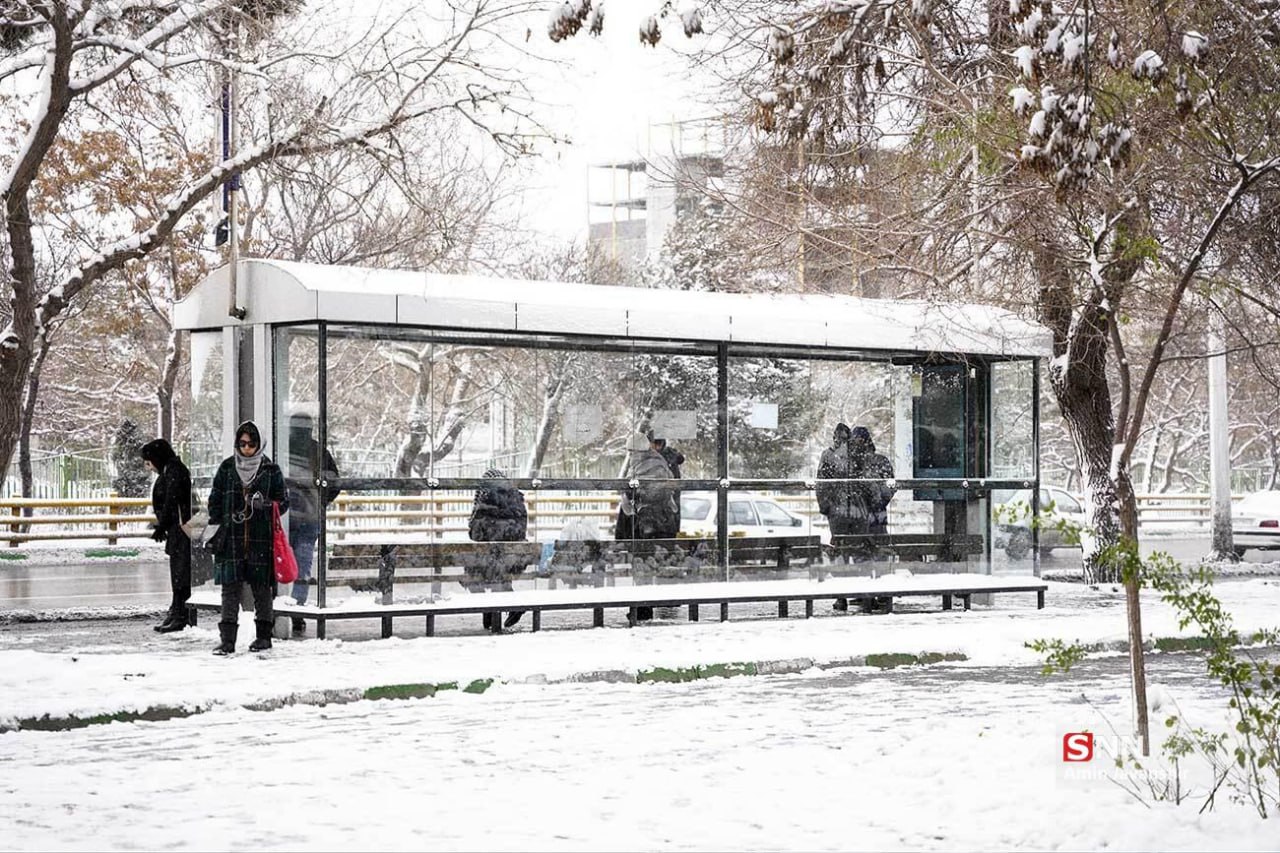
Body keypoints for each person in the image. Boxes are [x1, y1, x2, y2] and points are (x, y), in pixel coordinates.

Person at [207, 421, 288, 655]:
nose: (246, 449)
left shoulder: (270, 470)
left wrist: (265, 505)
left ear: (259, 444)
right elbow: (214, 499)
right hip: (230, 539)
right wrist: (225, 516)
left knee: (262, 589)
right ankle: (227, 641)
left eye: (251, 444)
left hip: (260, 540)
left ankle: (263, 637)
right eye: (242, 444)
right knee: (229, 590)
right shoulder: (227, 468)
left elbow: (283, 501)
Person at [283, 413, 340, 636]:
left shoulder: (283, 449)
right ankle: (297, 609)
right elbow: (334, 482)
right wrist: (320, 502)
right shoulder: (319, 452)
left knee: (280, 560)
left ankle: (278, 605)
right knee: (302, 564)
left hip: (286, 517)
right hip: (309, 517)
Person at [619, 431, 679, 621]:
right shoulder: (653, 462)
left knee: (644, 566)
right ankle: (641, 607)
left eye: (631, 451)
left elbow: (653, 493)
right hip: (654, 523)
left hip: (652, 525)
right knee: (645, 566)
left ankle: (643, 608)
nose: (630, 454)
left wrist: (632, 496)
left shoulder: (650, 464)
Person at [140, 438, 192, 633]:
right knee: (178, 573)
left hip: (181, 529)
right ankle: (176, 611)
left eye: (149, 461)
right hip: (176, 530)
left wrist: (161, 526)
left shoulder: (174, 471)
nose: (149, 467)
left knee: (181, 573)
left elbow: (172, 500)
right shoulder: (171, 469)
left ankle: (181, 614)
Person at [466, 468, 529, 630]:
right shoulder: (517, 499)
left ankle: (490, 610)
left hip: (491, 559)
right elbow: (521, 529)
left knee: (475, 575)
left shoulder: (485, 500)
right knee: (497, 573)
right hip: (514, 558)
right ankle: (504, 608)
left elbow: (475, 535)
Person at [817, 422, 869, 611]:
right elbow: (867, 483)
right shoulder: (858, 456)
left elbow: (821, 484)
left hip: (840, 512)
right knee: (859, 551)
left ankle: (842, 596)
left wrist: (827, 507)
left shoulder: (830, 456)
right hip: (856, 512)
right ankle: (861, 594)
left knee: (841, 552)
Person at [850, 425, 896, 613]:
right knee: (878, 553)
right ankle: (880, 593)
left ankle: (867, 593)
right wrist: (879, 502)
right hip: (876, 516)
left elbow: (848, 490)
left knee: (863, 553)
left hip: (861, 517)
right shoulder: (879, 461)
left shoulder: (853, 463)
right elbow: (891, 486)